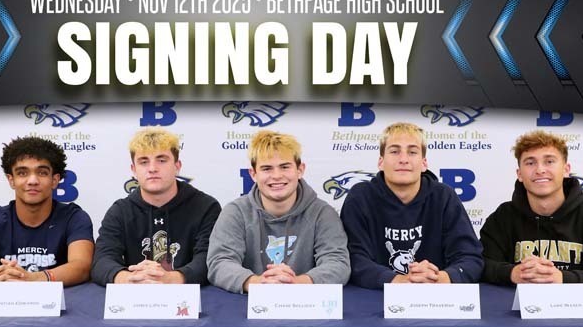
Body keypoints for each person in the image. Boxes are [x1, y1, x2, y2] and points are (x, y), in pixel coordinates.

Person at [480, 130, 583, 300]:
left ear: (566, 170)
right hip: (516, 319)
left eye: (549, 161)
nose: (540, 170)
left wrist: (562, 279)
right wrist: (513, 273)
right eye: (530, 163)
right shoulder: (502, 218)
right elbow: (480, 266)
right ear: (519, 174)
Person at [340, 122, 483, 288]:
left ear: (424, 163)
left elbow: (471, 258)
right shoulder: (360, 197)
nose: (403, 159)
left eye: (412, 152)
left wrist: (440, 278)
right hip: (376, 298)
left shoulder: (444, 196)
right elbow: (354, 258)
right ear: (381, 162)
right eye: (394, 151)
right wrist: (398, 280)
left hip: (436, 298)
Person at [207, 130, 350, 293]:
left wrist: (296, 283)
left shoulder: (323, 213)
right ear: (253, 174)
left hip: (306, 306)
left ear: (300, 170)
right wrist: (258, 283)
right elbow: (219, 262)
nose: (276, 176)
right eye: (267, 168)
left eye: (284, 167)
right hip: (246, 307)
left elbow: (338, 263)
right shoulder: (235, 212)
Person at [0, 136, 93, 285]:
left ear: (55, 180)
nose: (32, 181)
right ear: (11, 180)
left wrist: (34, 279)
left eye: (42, 173)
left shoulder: (74, 218)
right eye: (22, 173)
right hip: (5, 302)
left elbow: (82, 266)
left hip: (61, 305)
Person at [91, 128, 221, 285]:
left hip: (190, 298)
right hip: (134, 296)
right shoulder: (119, 211)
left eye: (161, 160)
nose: (152, 168)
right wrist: (129, 279)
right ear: (133, 170)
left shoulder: (206, 207)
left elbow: (209, 258)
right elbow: (102, 260)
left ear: (177, 166)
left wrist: (171, 279)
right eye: (144, 162)